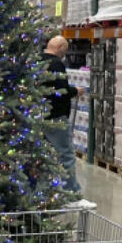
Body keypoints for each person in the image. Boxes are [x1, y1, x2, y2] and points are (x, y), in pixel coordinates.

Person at [41, 35, 79, 191]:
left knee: (44, 156)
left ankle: (44, 191)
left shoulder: (37, 60)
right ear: (60, 48)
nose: (64, 55)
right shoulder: (56, 64)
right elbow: (60, 91)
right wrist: (76, 90)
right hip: (56, 117)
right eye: (65, 51)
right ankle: (72, 193)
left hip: (40, 115)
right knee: (66, 155)